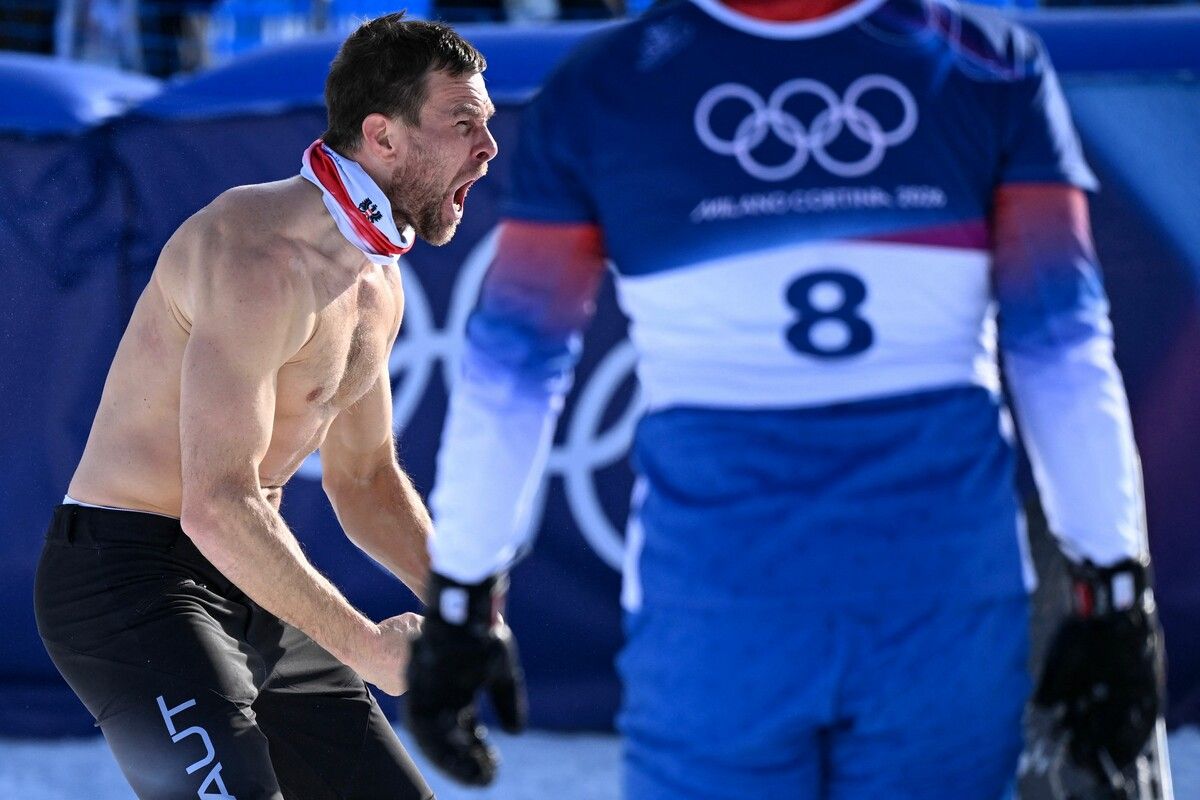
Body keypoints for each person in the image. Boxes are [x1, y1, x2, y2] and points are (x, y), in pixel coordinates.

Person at [405, 0, 1164, 797]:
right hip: (936, 589)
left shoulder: (604, 85)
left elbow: (514, 376)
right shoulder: (990, 61)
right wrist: (1115, 586)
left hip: (722, 601)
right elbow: (1065, 355)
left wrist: (463, 596)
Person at [33, 13, 498, 799]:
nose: (487, 150)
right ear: (382, 138)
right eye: (463, 126)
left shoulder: (376, 282)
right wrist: (368, 649)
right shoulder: (257, 256)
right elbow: (215, 504)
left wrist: (470, 616)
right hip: (127, 581)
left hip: (242, 576)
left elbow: (367, 480)